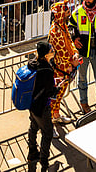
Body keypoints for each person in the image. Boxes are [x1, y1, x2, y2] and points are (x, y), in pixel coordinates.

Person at [25, 42, 57, 172]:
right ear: (46, 54)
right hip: (43, 106)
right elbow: (50, 92)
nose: (53, 50)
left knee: (33, 127)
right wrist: (57, 87)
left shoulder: (32, 64)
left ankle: (32, 152)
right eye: (51, 49)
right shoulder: (47, 70)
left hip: (32, 104)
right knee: (47, 133)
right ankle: (44, 162)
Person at [46, 0, 79, 125]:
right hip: (59, 70)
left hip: (67, 68)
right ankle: (49, 124)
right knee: (54, 97)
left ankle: (56, 115)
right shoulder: (55, 31)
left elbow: (70, 41)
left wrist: (75, 52)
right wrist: (72, 60)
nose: (68, 14)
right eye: (66, 12)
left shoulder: (63, 26)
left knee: (59, 96)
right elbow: (61, 52)